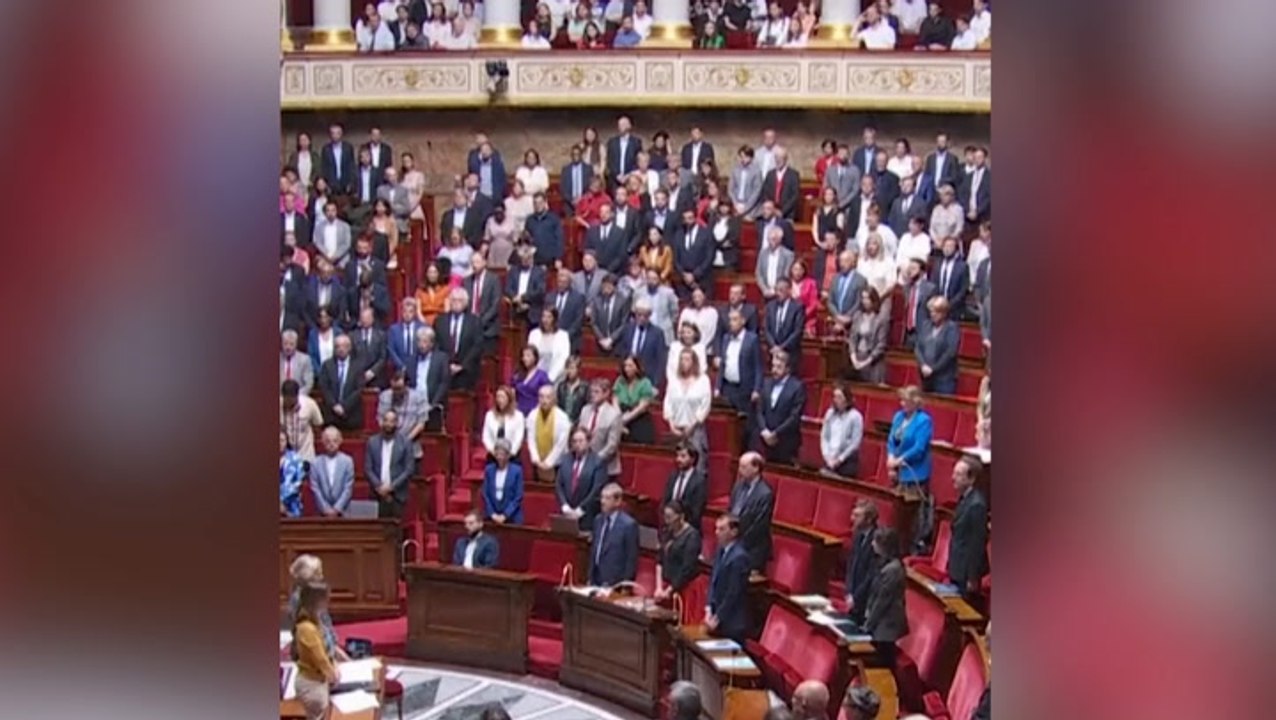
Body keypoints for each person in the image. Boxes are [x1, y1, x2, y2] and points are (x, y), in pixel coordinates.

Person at [888, 386, 935, 550]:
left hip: (915, 473)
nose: (902, 404)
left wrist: (900, 459)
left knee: (910, 518)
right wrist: (890, 457)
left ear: (916, 402)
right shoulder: (898, 417)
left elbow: (919, 447)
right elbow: (891, 441)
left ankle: (909, 548)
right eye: (901, 400)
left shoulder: (924, 420)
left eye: (906, 401)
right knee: (897, 517)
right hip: (898, 472)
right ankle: (897, 548)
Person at [291, 582, 339, 720]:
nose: (327, 604)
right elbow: (319, 658)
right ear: (316, 602)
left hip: (319, 680)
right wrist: (332, 674)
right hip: (311, 684)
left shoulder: (315, 621)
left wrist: (333, 664)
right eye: (325, 600)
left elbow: (325, 651)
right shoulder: (306, 628)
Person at [863, 527, 908, 666]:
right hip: (882, 623)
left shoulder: (893, 570)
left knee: (884, 662)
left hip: (887, 625)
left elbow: (882, 601)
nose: (872, 544)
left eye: (875, 541)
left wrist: (868, 625)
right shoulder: (884, 564)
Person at [947, 455, 989, 600]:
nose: (953, 478)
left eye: (958, 474)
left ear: (971, 479)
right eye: (954, 473)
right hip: (957, 567)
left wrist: (972, 578)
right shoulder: (965, 499)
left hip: (965, 573)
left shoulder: (977, 505)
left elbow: (977, 543)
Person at [705, 514, 751, 641]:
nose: (716, 533)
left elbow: (733, 592)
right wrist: (708, 608)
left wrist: (717, 618)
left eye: (721, 529)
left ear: (734, 532)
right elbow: (713, 581)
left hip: (731, 623)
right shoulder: (721, 550)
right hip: (717, 619)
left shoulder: (740, 557)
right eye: (716, 528)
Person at [728, 452, 774, 574]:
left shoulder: (765, 493)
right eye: (739, 466)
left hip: (752, 550)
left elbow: (759, 526)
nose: (739, 470)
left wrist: (737, 541)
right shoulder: (738, 486)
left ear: (756, 468)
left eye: (743, 467)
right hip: (734, 543)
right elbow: (730, 510)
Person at [664, 347, 712, 464]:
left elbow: (705, 405)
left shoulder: (703, 380)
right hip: (676, 428)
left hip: (695, 429)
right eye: (681, 359)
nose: (683, 362)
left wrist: (692, 425)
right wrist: (671, 425)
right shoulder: (674, 380)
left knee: (698, 463)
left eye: (687, 359)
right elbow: (668, 402)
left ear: (694, 362)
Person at [757, 349, 805, 465]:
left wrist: (776, 433)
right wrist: (764, 430)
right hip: (766, 441)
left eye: (779, 367)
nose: (774, 370)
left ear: (787, 369)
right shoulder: (766, 383)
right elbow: (759, 410)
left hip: (786, 442)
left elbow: (794, 417)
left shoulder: (797, 387)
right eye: (773, 366)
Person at [364, 410, 414, 519]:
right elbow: (368, 469)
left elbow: (409, 469)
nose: (388, 424)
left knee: (395, 531)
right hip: (377, 494)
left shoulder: (405, 443)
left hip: (397, 495)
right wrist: (379, 486)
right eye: (386, 420)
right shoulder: (372, 442)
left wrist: (391, 487)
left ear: (397, 423)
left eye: (391, 421)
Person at [589, 483, 639, 587]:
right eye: (602, 497)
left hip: (615, 584)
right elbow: (594, 550)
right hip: (596, 580)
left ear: (618, 501)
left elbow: (631, 559)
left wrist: (624, 586)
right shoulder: (598, 520)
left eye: (607, 498)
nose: (602, 502)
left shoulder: (629, 525)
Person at [432, 287, 482, 391]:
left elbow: (477, 346)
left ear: (466, 303)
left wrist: (462, 366)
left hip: (466, 372)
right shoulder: (440, 321)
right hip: (444, 371)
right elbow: (436, 345)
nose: (456, 303)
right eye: (453, 300)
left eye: (460, 300)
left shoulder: (475, 322)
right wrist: (447, 365)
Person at [556, 427, 605, 530]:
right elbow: (559, 485)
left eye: (581, 441)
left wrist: (581, 509)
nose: (577, 444)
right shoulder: (566, 459)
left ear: (588, 442)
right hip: (566, 514)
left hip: (586, 516)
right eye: (574, 441)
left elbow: (596, 490)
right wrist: (564, 505)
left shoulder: (597, 462)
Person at [377, 369, 428, 467]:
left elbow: (421, 424)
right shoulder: (384, 396)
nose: (396, 392)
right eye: (393, 388)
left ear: (406, 385)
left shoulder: (418, 397)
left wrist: (405, 441)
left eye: (399, 388)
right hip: (389, 445)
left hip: (411, 447)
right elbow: (380, 419)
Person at [578, 379, 625, 482]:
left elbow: (612, 444)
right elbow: (579, 433)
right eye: (591, 391)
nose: (592, 395)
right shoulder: (585, 410)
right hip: (584, 463)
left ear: (606, 393)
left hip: (605, 467)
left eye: (596, 392)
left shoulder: (614, 415)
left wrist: (594, 460)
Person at [843, 498, 880, 625]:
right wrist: (848, 591)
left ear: (869, 520)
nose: (852, 518)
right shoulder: (857, 535)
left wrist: (856, 597)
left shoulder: (877, 540)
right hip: (852, 598)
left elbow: (871, 575)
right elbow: (851, 565)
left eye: (857, 515)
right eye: (853, 514)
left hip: (866, 602)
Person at [317, 336, 364, 431]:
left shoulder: (358, 366)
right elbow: (324, 387)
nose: (341, 349)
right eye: (337, 347)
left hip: (351, 414)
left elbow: (358, 390)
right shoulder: (327, 365)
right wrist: (334, 405)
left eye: (344, 346)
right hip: (331, 414)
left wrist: (344, 406)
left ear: (349, 348)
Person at [618, 301, 669, 388]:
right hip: (628, 377)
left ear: (650, 315)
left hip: (648, 379)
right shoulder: (627, 329)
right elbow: (623, 353)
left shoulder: (657, 333)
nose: (642, 318)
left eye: (645, 316)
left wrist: (656, 384)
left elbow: (661, 361)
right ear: (635, 314)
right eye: (639, 315)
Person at [916, 296, 960, 394]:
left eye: (936, 312)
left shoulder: (952, 328)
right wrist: (923, 365)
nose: (933, 314)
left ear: (944, 313)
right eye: (931, 312)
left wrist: (933, 369)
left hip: (944, 379)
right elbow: (918, 347)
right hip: (925, 378)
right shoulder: (926, 325)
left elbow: (950, 353)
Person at [529, 385, 573, 482]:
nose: (544, 400)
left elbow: (561, 444)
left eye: (548, 397)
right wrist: (536, 459)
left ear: (554, 398)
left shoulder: (562, 417)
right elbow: (531, 439)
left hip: (557, 462)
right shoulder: (533, 415)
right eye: (541, 396)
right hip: (538, 461)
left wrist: (548, 462)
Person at [848, 288, 891, 384]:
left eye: (867, 298)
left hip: (873, 362)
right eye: (863, 298)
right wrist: (854, 358)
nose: (864, 301)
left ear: (873, 300)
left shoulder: (881, 319)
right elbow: (852, 339)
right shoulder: (857, 316)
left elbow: (881, 345)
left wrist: (866, 362)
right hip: (858, 358)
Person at [309, 426, 355, 517]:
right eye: (328, 441)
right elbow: (315, 488)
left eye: (335, 441)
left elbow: (348, 488)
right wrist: (325, 509)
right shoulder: (315, 463)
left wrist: (337, 508)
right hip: (321, 513)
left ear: (340, 441)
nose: (331, 444)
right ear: (323, 442)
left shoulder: (347, 461)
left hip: (343, 512)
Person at [661, 443, 707, 531]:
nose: (678, 459)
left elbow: (696, 512)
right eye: (677, 456)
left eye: (683, 456)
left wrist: (680, 526)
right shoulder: (673, 476)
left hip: (688, 531)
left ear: (692, 459)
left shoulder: (699, 481)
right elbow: (665, 501)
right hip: (669, 528)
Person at [821, 385, 864, 477]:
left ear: (847, 400)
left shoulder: (855, 416)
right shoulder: (830, 413)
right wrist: (827, 456)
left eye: (839, 397)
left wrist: (840, 459)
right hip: (830, 460)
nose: (836, 400)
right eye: (834, 396)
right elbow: (824, 437)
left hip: (846, 462)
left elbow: (855, 443)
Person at [614, 354, 657, 444]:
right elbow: (615, 400)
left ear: (637, 367)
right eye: (625, 365)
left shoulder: (645, 382)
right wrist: (619, 418)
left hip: (637, 416)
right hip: (621, 414)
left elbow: (642, 406)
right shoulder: (620, 381)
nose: (627, 369)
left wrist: (626, 419)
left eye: (630, 366)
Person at [482, 439, 525, 525]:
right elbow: (485, 494)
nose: (499, 457)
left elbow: (518, 497)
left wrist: (505, 515)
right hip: (492, 515)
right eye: (497, 454)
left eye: (502, 454)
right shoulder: (489, 470)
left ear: (508, 455)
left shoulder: (517, 471)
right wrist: (492, 514)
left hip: (512, 516)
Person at [281, 379, 324, 461]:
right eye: (286, 399)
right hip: (284, 456)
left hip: (305, 453)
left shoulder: (310, 404)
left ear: (297, 395)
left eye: (291, 399)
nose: (289, 402)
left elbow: (318, 425)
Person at [546, 268, 587, 352]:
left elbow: (578, 321)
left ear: (569, 283)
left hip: (571, 340)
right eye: (559, 282)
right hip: (551, 339)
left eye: (564, 282)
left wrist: (564, 336)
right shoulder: (549, 297)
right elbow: (546, 317)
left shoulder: (578, 298)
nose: (561, 285)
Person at [505, 246, 548, 325]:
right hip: (516, 307)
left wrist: (523, 298)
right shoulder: (513, 271)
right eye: (523, 259)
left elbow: (540, 291)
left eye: (528, 258)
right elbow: (508, 288)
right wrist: (516, 298)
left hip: (532, 309)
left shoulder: (539, 272)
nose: (525, 261)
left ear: (532, 258)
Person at [591, 273, 632, 356]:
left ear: (615, 287)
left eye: (609, 286)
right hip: (600, 343)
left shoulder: (623, 301)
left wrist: (611, 339)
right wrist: (602, 339)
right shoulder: (597, 301)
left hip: (617, 343)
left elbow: (624, 323)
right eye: (604, 286)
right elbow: (594, 323)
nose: (606, 289)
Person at [528, 307, 572, 383]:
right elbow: (530, 356)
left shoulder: (563, 336)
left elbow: (563, 358)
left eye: (549, 317)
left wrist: (550, 378)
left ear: (554, 319)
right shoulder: (534, 334)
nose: (545, 320)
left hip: (556, 378)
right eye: (544, 316)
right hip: (536, 378)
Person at [482, 385, 526, 460]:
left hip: (512, 456)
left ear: (509, 399)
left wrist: (509, 454)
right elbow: (486, 437)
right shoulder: (489, 415)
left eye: (503, 397)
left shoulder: (519, 416)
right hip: (494, 455)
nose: (500, 400)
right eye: (498, 397)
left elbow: (518, 438)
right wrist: (494, 452)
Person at [755, 225, 795, 299]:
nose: (771, 242)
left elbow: (786, 274)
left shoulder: (788, 255)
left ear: (780, 239)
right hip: (765, 293)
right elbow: (758, 273)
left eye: (774, 239)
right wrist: (764, 289)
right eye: (769, 239)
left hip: (781, 292)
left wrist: (776, 290)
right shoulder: (762, 253)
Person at [280, 330, 316, 397]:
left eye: (291, 344)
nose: (288, 347)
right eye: (285, 344)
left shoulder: (305, 359)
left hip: (300, 397)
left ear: (296, 344)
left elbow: (309, 384)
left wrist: (296, 396)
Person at [789, 260, 820, 336]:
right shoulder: (787, 283)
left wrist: (801, 316)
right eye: (795, 269)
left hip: (807, 319)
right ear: (791, 270)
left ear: (804, 271)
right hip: (789, 320)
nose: (797, 272)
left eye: (800, 270)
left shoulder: (811, 283)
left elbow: (814, 303)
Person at [280, 431, 307, 518]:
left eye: (282, 440)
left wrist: (281, 501)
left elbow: (298, 482)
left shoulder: (296, 459)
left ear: (287, 442)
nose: (279, 443)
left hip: (291, 504)